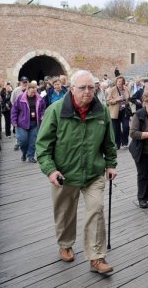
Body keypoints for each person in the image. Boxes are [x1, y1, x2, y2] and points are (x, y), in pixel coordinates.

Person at [35, 70, 117, 275]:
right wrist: (50, 170)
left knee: (96, 209)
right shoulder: (55, 111)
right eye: (82, 88)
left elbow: (109, 142)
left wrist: (111, 163)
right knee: (64, 212)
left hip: (93, 173)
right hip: (65, 174)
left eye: (91, 87)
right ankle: (65, 244)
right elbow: (43, 146)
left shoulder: (102, 111)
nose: (87, 92)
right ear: (71, 89)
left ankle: (96, 257)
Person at [11, 82, 45, 163]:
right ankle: (24, 153)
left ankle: (30, 156)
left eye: (35, 92)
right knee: (23, 141)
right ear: (27, 90)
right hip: (22, 123)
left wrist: (43, 115)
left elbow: (43, 108)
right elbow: (14, 110)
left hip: (34, 123)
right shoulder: (20, 98)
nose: (33, 94)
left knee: (33, 141)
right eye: (31, 92)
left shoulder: (39, 98)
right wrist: (14, 121)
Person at [106, 76, 131, 149]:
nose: (120, 83)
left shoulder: (126, 88)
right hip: (115, 112)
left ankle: (125, 143)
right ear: (116, 82)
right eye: (118, 81)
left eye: (121, 81)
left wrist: (127, 100)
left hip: (124, 111)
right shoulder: (113, 90)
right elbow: (108, 101)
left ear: (123, 82)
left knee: (126, 127)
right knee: (116, 130)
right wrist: (116, 99)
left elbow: (129, 97)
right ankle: (117, 144)